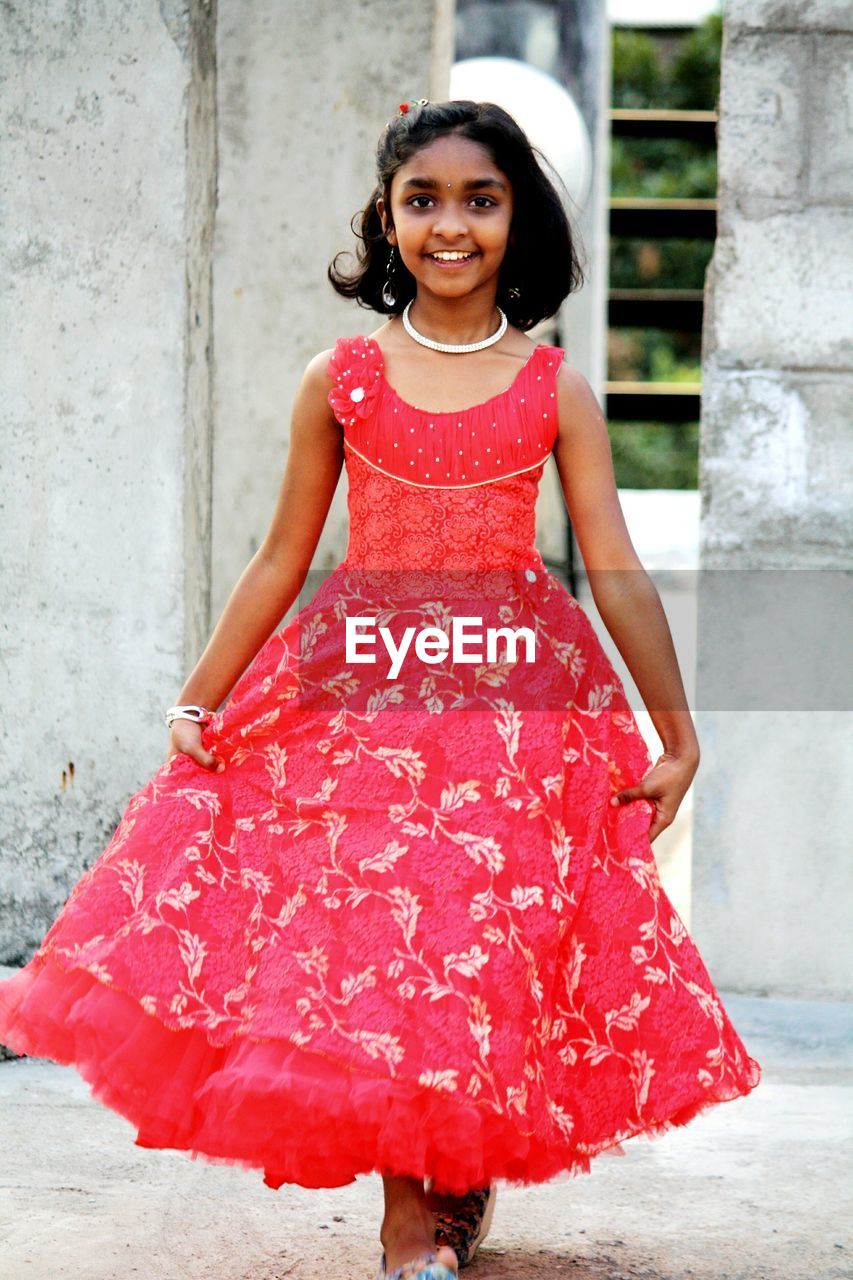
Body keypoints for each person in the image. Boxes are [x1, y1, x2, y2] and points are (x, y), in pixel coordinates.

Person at [0, 99, 761, 1280]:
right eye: (424, 199)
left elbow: (610, 563)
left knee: (470, 940)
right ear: (387, 216)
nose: (449, 224)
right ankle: (411, 1228)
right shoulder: (341, 378)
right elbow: (280, 554)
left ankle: (454, 1171)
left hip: (513, 703)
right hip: (358, 693)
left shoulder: (552, 387)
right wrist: (196, 698)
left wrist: (677, 733)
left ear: (519, 219)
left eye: (480, 199)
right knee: (384, 940)